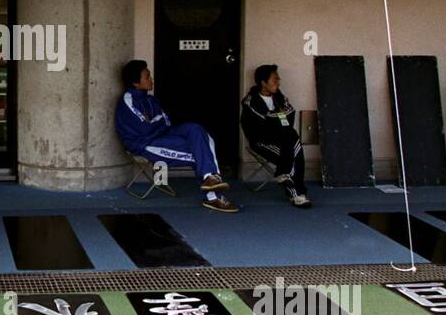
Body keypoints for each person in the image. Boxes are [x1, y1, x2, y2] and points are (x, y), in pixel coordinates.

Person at [115, 59, 238, 213]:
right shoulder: (128, 100)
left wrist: (154, 122)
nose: (151, 79)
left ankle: (210, 177)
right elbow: (144, 129)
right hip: (144, 144)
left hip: (162, 135)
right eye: (147, 77)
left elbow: (165, 122)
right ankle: (213, 197)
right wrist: (156, 123)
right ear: (135, 82)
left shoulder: (151, 99)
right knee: (199, 152)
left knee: (198, 131)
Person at [241, 64, 312, 208]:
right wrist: (278, 119)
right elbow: (264, 122)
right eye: (275, 80)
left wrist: (275, 121)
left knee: (293, 142)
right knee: (293, 147)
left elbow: (290, 113)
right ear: (263, 82)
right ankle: (297, 193)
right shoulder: (251, 100)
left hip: (282, 139)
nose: (278, 83)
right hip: (262, 142)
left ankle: (284, 175)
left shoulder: (279, 96)